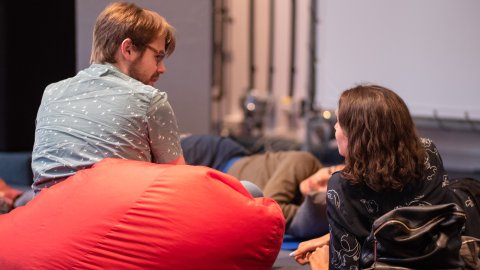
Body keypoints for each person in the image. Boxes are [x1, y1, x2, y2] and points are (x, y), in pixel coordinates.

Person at [291, 84, 462, 268]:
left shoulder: (342, 185)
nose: (335, 127)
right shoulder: (428, 151)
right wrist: (330, 238)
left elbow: (347, 265)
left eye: (339, 122)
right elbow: (407, 228)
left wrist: (322, 264)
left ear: (357, 135)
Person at [30, 2, 184, 194]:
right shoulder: (149, 99)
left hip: (45, 217)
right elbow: (178, 185)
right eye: (158, 57)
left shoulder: (51, 93)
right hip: (115, 220)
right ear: (128, 49)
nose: (161, 69)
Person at [181, 134, 344, 238]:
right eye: (328, 171)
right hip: (216, 156)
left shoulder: (312, 203)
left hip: (217, 176)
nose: (319, 181)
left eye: (327, 186)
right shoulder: (304, 161)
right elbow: (270, 209)